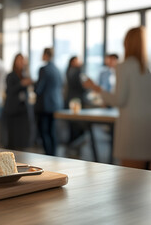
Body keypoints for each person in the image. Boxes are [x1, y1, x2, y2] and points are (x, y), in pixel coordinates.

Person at [83, 27, 151, 169]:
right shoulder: (147, 68)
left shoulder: (124, 67)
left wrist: (95, 87)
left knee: (130, 180)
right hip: (147, 126)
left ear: (127, 43)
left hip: (131, 129)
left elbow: (119, 100)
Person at [34, 48, 63, 156]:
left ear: (46, 55)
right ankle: (53, 154)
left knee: (44, 131)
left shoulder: (43, 69)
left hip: (44, 105)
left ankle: (48, 154)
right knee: (52, 131)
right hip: (55, 104)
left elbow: (38, 89)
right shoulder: (57, 69)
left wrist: (33, 84)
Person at [3, 54, 33, 150]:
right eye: (19, 60)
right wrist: (21, 84)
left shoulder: (25, 75)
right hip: (12, 109)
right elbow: (9, 91)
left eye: (23, 60)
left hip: (23, 109)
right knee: (12, 136)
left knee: (22, 135)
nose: (21, 62)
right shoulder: (10, 76)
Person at [65, 56, 87, 143]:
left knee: (72, 124)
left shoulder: (68, 71)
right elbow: (83, 87)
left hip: (70, 99)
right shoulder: (78, 72)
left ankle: (72, 142)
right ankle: (76, 142)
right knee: (78, 124)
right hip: (77, 100)